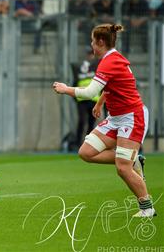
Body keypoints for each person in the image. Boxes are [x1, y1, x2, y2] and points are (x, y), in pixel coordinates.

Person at [53, 24, 156, 218]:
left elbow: (89, 92)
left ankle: (147, 207)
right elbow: (116, 85)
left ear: (100, 42)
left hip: (132, 117)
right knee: (86, 152)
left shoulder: (110, 61)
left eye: (93, 41)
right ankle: (132, 159)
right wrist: (101, 103)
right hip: (116, 118)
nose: (92, 45)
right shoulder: (112, 59)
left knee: (122, 168)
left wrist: (65, 89)